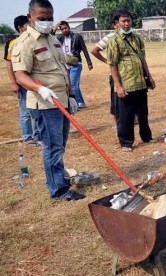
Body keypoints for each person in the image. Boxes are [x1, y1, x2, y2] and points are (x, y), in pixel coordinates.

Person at [12, 0, 83, 201]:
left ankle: (59, 178)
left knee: (60, 145)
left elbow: (63, 70)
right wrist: (40, 89)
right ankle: (58, 191)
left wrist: (71, 96)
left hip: (62, 101)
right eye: (41, 18)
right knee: (52, 147)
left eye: (49, 18)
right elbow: (21, 75)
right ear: (30, 18)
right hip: (44, 104)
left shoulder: (53, 40)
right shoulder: (25, 42)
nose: (46, 21)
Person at [107, 8, 156, 152]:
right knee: (126, 116)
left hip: (140, 82)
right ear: (117, 23)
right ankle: (126, 142)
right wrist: (118, 86)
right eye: (124, 21)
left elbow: (143, 59)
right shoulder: (114, 41)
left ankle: (146, 137)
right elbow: (112, 65)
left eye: (129, 20)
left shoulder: (137, 38)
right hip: (126, 84)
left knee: (143, 113)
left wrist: (149, 76)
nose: (127, 24)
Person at [4, 15, 40, 146]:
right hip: (22, 83)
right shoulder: (13, 43)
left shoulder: (32, 40)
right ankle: (27, 137)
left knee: (37, 109)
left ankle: (38, 136)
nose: (31, 27)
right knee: (25, 111)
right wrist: (14, 83)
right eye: (27, 25)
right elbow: (9, 64)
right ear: (20, 27)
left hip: (34, 82)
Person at [56, 21, 93, 109]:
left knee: (73, 85)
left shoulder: (77, 36)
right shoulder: (60, 38)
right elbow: (50, 37)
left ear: (69, 27)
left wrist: (89, 63)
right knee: (72, 85)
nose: (64, 30)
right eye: (62, 29)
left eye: (66, 28)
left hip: (75, 64)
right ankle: (81, 103)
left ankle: (77, 104)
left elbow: (84, 50)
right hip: (65, 65)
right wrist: (55, 27)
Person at [91, 15, 119, 122]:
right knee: (116, 98)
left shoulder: (130, 36)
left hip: (130, 74)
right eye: (120, 22)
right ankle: (117, 119)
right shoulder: (109, 37)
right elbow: (94, 51)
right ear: (115, 24)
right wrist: (107, 61)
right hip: (115, 74)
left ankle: (132, 118)